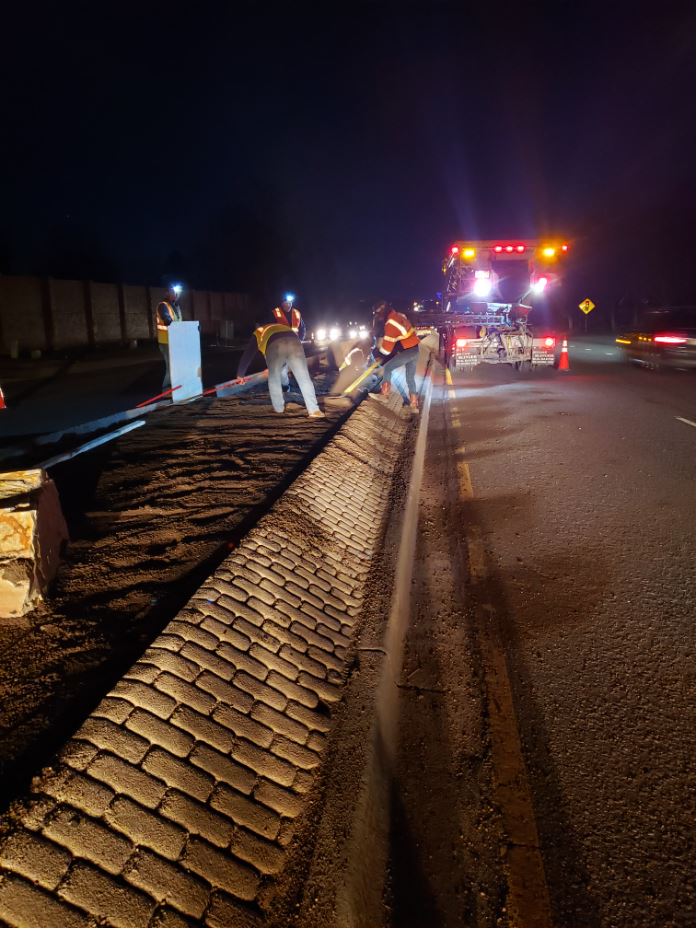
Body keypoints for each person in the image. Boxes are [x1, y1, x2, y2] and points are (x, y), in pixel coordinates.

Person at [236, 320, 325, 418]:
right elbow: (286, 350)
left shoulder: (258, 332)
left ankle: (279, 408)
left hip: (275, 345)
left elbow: (248, 354)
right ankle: (314, 410)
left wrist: (240, 374)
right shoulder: (280, 326)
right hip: (295, 342)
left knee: (274, 379)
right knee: (304, 378)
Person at [369, 300, 421, 412]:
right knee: (410, 377)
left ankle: (384, 395)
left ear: (381, 313)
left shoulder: (390, 324)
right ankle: (414, 405)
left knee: (388, 367)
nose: (378, 317)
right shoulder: (398, 315)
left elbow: (386, 351)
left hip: (408, 351)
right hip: (415, 349)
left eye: (377, 314)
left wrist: (376, 352)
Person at [272, 294, 306, 392]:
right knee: (282, 370)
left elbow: (302, 328)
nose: (289, 305)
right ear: (282, 303)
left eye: (290, 303)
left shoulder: (296, 313)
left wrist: (300, 339)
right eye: (286, 303)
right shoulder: (275, 313)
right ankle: (285, 386)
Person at [155, 283, 183, 390]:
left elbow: (179, 324)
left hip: (175, 341)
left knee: (175, 366)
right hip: (166, 341)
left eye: (176, 292)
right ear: (167, 293)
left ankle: (173, 388)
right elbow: (167, 320)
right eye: (172, 291)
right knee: (170, 366)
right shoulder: (163, 305)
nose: (175, 294)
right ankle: (166, 388)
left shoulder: (176, 307)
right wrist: (169, 320)